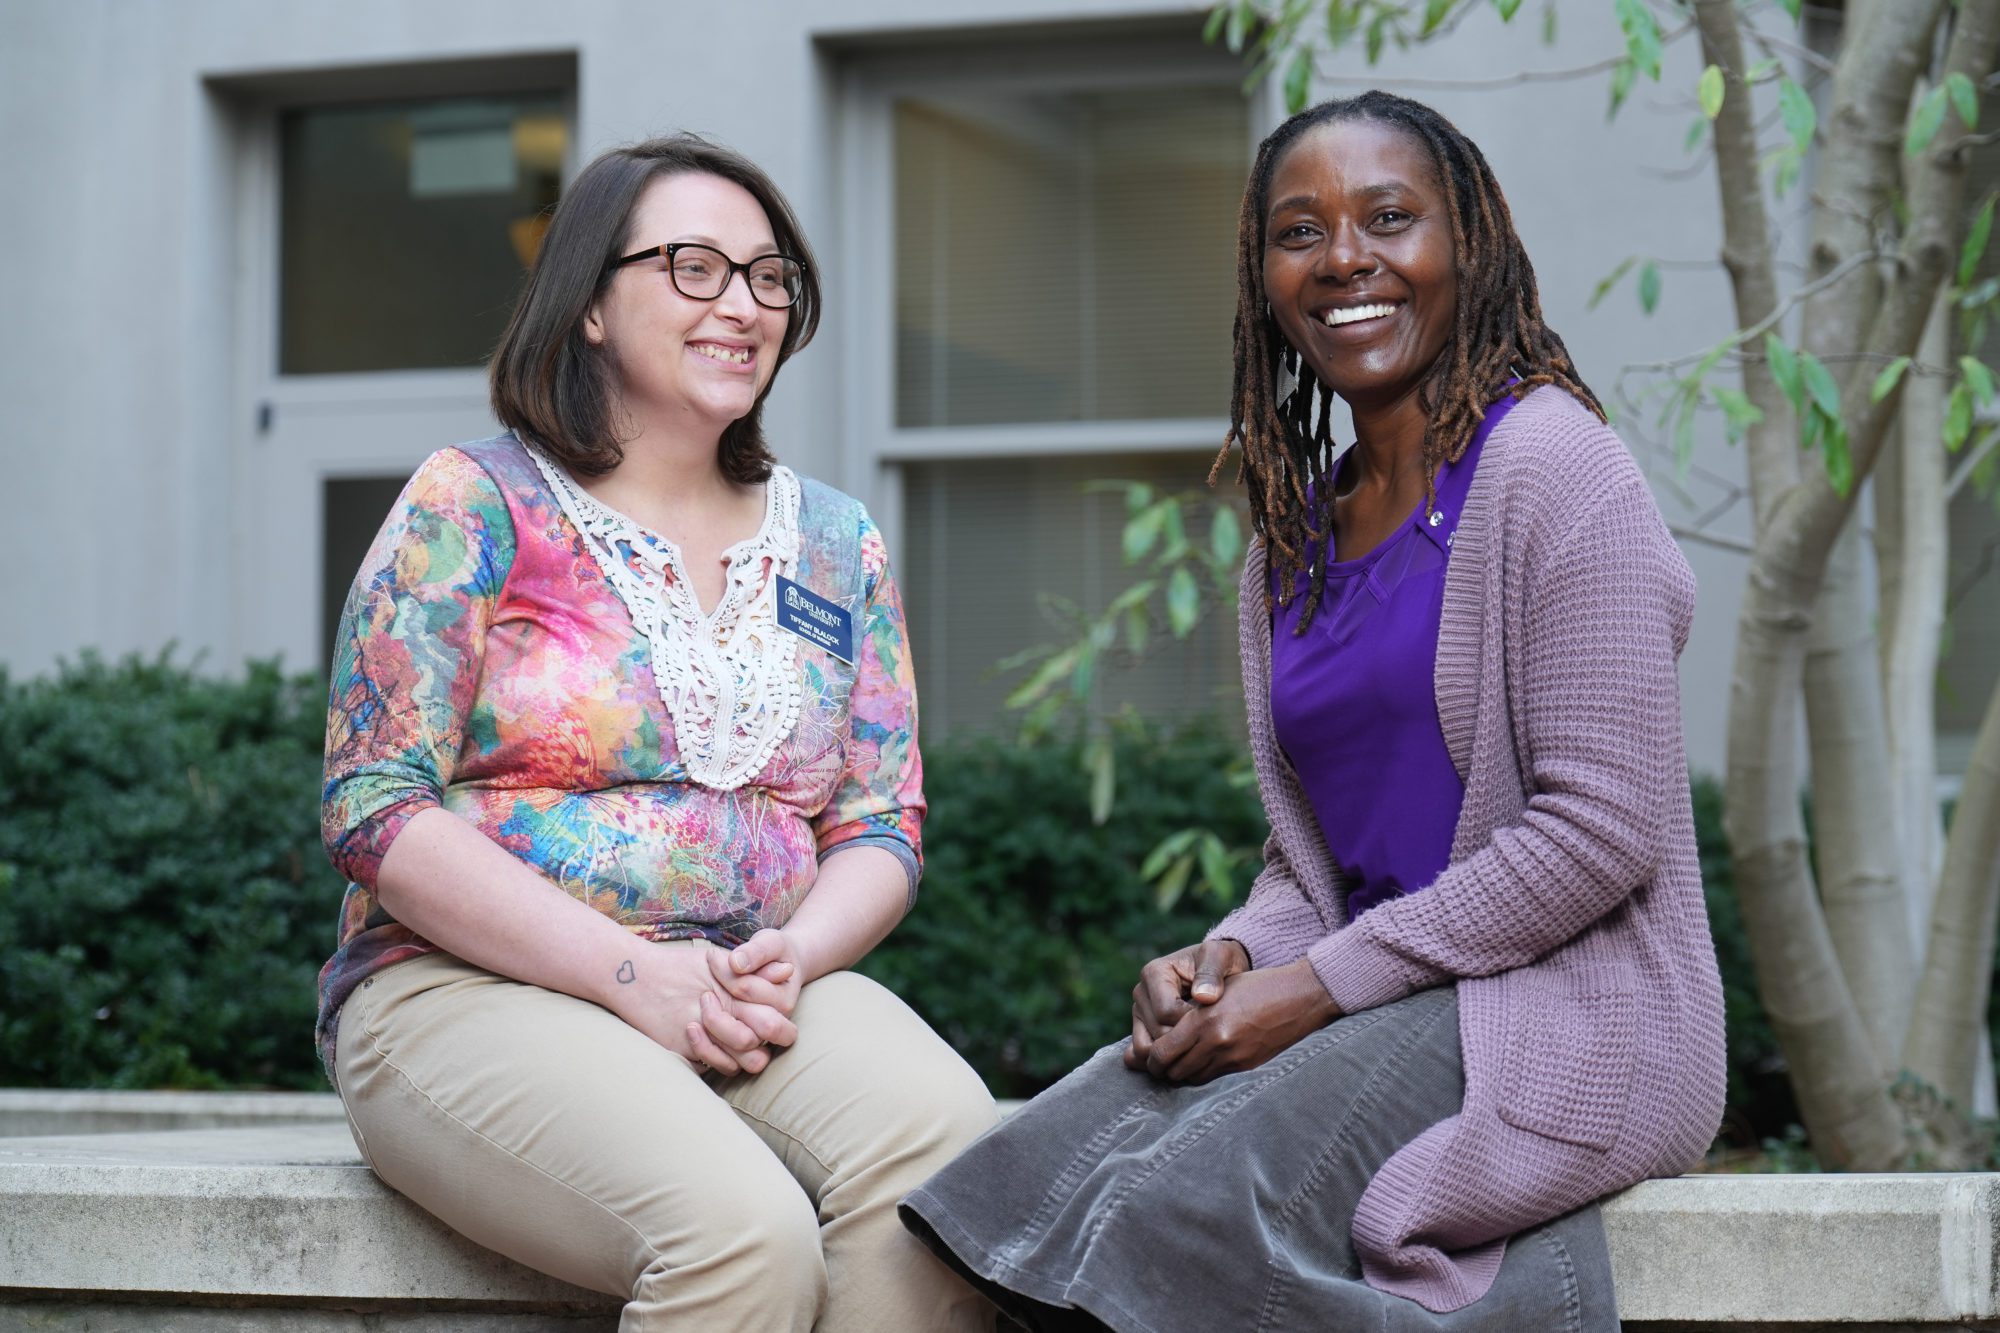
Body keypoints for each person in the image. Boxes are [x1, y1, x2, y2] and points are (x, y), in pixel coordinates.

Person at [900, 91, 1727, 1332]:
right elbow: (1312, 870)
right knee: (1018, 1188)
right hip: (1382, 998)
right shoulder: (1291, 542)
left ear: (1470, 245)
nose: (1344, 258)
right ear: (1262, 277)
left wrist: (1317, 987)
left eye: (1389, 218)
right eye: (1301, 231)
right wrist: (1234, 955)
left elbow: (1595, 835)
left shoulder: (1557, 470)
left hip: (1571, 1009)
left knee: (1176, 1211)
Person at [316, 132, 997, 1333]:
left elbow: (880, 820)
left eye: (767, 276)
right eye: (693, 267)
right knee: (739, 1236)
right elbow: (375, 807)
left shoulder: (835, 543)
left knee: (950, 1173)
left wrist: (798, 953)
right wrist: (632, 976)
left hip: (750, 982)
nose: (742, 304)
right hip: (461, 989)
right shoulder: (473, 503)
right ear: (585, 302)